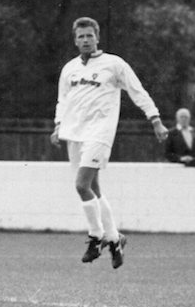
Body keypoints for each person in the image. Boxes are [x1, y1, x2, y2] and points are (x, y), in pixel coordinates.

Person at [51, 17, 168, 269]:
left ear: (98, 37)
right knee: (94, 189)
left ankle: (96, 236)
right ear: (75, 40)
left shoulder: (114, 64)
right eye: (80, 36)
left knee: (81, 185)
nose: (85, 40)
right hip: (74, 133)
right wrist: (58, 125)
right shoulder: (69, 68)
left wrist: (155, 119)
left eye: (89, 36)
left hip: (99, 133)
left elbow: (138, 91)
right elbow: (63, 100)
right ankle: (115, 239)